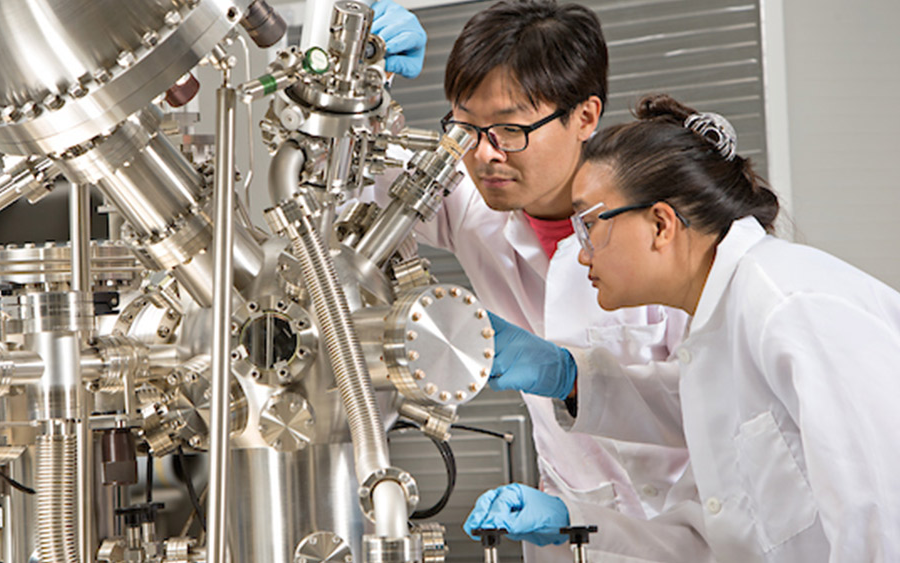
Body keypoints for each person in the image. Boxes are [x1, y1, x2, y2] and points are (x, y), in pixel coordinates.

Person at [472, 93, 900, 561]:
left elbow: (878, 519)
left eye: (590, 224)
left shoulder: (790, 305)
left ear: (661, 224)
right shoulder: (715, 339)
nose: (582, 251)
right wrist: (569, 521)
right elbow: (705, 543)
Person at [371, 2, 713, 561]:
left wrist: (570, 377)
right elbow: (361, 186)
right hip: (567, 534)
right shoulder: (477, 205)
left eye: (510, 128)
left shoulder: (662, 230)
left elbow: (720, 402)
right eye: (466, 126)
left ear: (585, 115)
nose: (484, 155)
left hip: (692, 532)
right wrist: (368, 85)